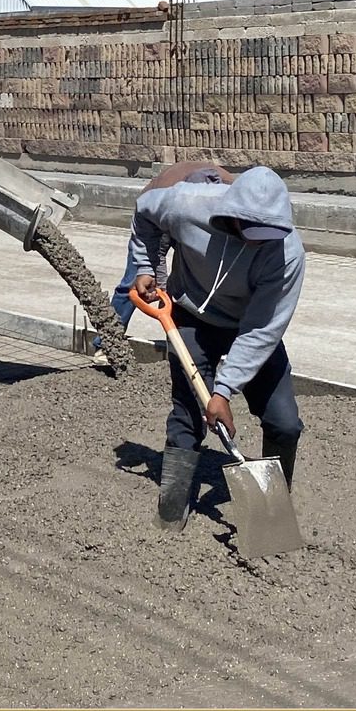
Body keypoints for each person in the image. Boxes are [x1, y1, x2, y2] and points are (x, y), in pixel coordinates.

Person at [128, 166, 306, 530]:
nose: (258, 241)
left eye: (267, 233)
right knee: (187, 416)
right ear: (230, 214)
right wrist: (146, 264)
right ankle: (171, 512)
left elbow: (261, 329)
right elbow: (144, 209)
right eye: (250, 230)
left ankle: (271, 513)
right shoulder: (187, 204)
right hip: (192, 317)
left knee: (284, 422)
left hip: (249, 324)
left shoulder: (287, 255)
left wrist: (223, 391)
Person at [94, 160, 231, 366]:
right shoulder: (166, 200)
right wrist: (153, 275)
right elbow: (153, 250)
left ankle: (208, 347)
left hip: (186, 216)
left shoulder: (231, 192)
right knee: (135, 281)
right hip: (153, 222)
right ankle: (107, 344)